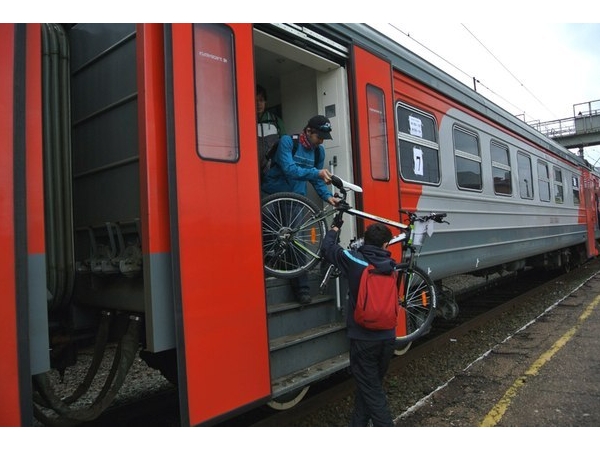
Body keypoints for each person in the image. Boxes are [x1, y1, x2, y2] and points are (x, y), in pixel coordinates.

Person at [321, 221, 397, 426]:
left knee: (372, 392)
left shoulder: (354, 260)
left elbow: (328, 249)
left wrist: (334, 229)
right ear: (385, 245)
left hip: (363, 339)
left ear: (366, 240)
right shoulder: (392, 265)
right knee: (369, 386)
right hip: (388, 337)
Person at [262, 114, 340, 304]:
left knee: (295, 241)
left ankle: (302, 290)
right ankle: (266, 274)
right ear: (308, 131)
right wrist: (317, 172)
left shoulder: (318, 152)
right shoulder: (288, 142)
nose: (321, 141)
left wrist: (328, 197)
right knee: (269, 238)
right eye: (319, 136)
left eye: (323, 138)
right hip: (273, 197)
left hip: (296, 200)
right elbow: (289, 169)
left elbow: (316, 179)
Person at [256, 84, 285, 175]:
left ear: (265, 102)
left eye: (261, 100)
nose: (258, 104)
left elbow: (285, 144)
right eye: (255, 100)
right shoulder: (244, 121)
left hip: (272, 169)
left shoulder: (276, 121)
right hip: (252, 168)